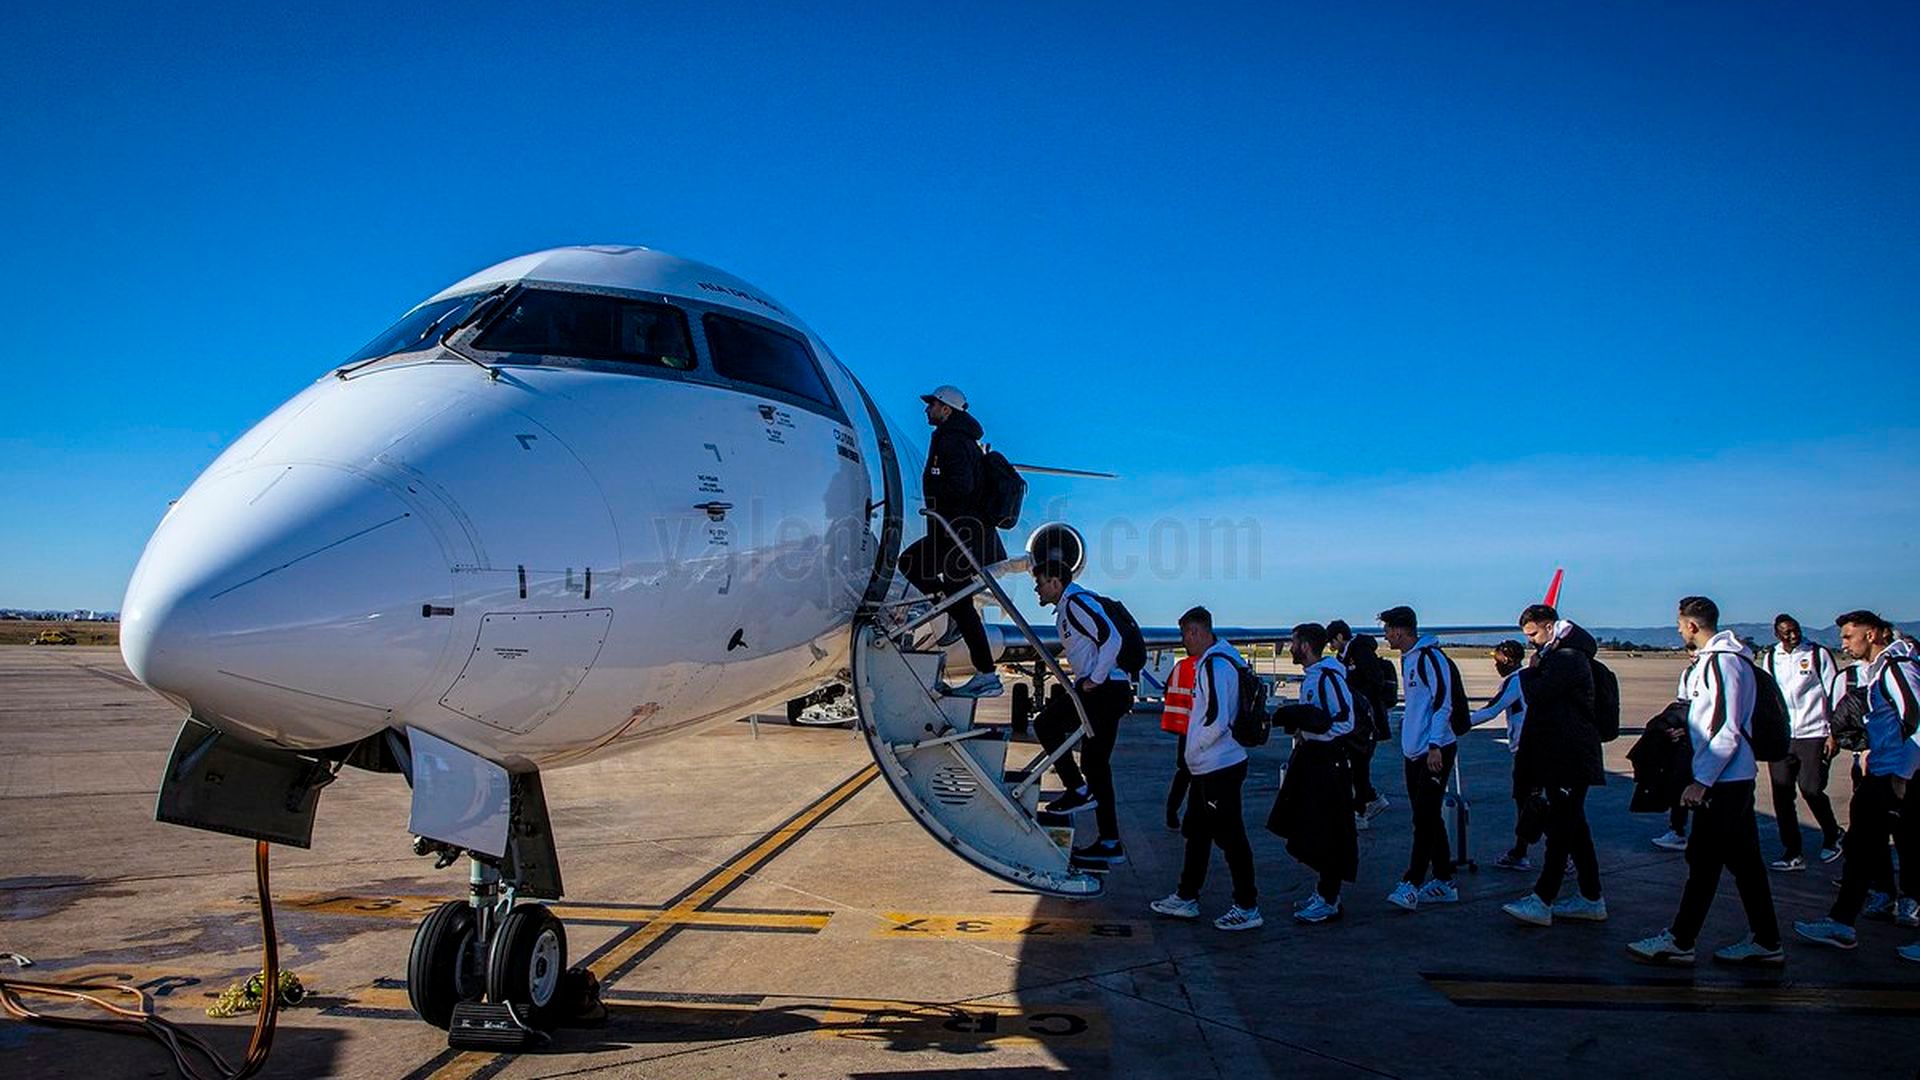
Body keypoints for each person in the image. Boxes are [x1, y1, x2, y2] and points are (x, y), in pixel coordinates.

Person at [1627, 597, 1783, 965]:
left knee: (1704, 862)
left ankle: (1681, 941)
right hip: (1731, 777)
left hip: (1724, 781)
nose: (1679, 631)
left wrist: (1702, 781)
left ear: (1692, 625)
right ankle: (1767, 940)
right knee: (1744, 863)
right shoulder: (1719, 662)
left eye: (1680, 625)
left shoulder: (1722, 663)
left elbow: (1726, 729)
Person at [1794, 610, 1920, 956]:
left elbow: (1918, 721)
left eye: (1850, 636)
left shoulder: (1897, 668)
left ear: (1875, 634)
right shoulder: (1879, 669)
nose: (1844, 643)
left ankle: (1845, 921)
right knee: (1861, 847)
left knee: (1885, 845)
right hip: (1882, 770)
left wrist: (1903, 773)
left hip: (1900, 775)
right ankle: (1842, 922)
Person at [1150, 607, 1262, 931]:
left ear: (1197, 632)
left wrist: (1194, 748)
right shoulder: (1219, 660)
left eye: (1185, 634)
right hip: (1207, 769)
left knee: (1231, 838)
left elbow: (1218, 719)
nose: (1183, 641)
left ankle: (1247, 905)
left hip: (1218, 768)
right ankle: (1186, 897)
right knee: (1196, 834)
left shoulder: (1215, 665)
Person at [1500, 606, 1608, 927]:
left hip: (1570, 757)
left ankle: (1542, 899)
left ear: (1550, 627)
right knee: (1576, 830)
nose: (1530, 643)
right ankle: (1591, 898)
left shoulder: (1567, 658)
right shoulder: (1562, 656)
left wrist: (1531, 671)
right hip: (1564, 755)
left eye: (1533, 634)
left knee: (1561, 830)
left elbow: (1537, 694)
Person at [898, 385, 1005, 698]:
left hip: (958, 536)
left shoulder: (952, 440)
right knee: (959, 604)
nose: (926, 409)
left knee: (914, 567)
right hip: (958, 536)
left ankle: (986, 674)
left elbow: (961, 485)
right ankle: (986, 673)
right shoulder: (959, 439)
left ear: (946, 409)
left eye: (932, 404)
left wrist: (933, 502)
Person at [1029, 560, 1131, 865]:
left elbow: (1112, 639)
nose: (1037, 589)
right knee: (1096, 765)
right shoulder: (1069, 607)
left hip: (1105, 690)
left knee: (1046, 724)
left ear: (1057, 583)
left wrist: (1095, 679)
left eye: (1042, 583)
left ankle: (1077, 789)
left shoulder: (1076, 604)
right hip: (1104, 690)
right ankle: (1109, 841)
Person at [1268, 622, 1359, 924]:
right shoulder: (1314, 678)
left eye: (1294, 642)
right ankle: (1324, 892)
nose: (1291, 648)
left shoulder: (1328, 678)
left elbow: (1346, 721)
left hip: (1328, 764)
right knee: (1312, 828)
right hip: (1312, 761)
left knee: (1328, 831)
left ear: (1305, 645)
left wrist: (1314, 731)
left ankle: (1329, 898)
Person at [1378, 606, 1460, 912]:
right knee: (1426, 816)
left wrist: (1436, 744)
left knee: (1424, 817)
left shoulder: (1430, 658)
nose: (1385, 635)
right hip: (1415, 751)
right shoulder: (1409, 659)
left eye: (1387, 629)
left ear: (1400, 630)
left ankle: (1411, 883)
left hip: (1433, 751)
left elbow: (1444, 702)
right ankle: (1443, 879)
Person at [1757, 614, 1845, 870]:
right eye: (1786, 633)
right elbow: (1769, 695)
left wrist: (1833, 732)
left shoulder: (1818, 654)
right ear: (1777, 634)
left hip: (1814, 732)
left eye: (1795, 631)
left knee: (1811, 788)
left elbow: (1833, 693)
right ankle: (1792, 851)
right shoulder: (1772, 658)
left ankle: (1832, 834)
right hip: (1785, 736)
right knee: (1782, 795)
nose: (1793, 636)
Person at [1471, 641, 1540, 871]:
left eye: (1497, 659)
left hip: (1528, 750)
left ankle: (1527, 853)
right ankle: (1521, 851)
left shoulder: (1516, 680)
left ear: (1508, 660)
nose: (1495, 664)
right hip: (1536, 747)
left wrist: (1458, 723)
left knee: (1529, 802)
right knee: (1532, 801)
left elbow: (1492, 710)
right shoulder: (1531, 677)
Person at [1340, 631, 1394, 827]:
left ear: (1339, 636)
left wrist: (1360, 702)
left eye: (1332, 640)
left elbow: (1374, 680)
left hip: (1365, 721)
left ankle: (1363, 809)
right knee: (1356, 768)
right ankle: (1363, 806)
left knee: (1359, 767)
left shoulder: (1360, 651)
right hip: (1358, 721)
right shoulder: (1347, 655)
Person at [1161, 652, 1198, 831]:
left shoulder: (1181, 666)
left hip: (1185, 726)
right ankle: (1191, 819)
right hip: (1201, 729)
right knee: (1199, 777)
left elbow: (1167, 690)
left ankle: (1172, 809)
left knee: (1184, 772)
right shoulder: (1207, 666)